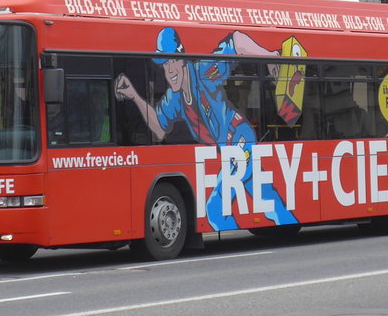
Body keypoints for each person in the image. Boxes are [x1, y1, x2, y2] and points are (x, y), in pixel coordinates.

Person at [115, 26, 298, 231]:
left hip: (239, 140)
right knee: (269, 200)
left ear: (183, 57)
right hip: (229, 150)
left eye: (173, 60)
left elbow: (236, 40)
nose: (170, 70)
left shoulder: (204, 71)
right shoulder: (175, 98)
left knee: (214, 210)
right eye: (165, 64)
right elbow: (158, 129)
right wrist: (134, 96)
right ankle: (286, 219)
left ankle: (233, 258)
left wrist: (270, 56)